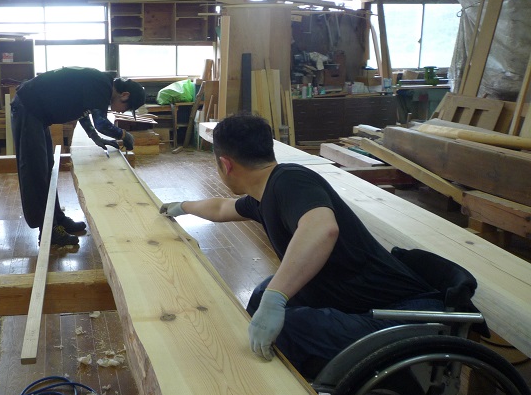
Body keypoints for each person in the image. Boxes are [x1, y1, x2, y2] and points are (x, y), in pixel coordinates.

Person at [159, 113, 444, 377]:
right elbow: (222, 208)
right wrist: (182, 206)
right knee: (261, 297)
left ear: (226, 164)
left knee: (285, 329)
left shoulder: (291, 181)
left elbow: (322, 228)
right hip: (363, 301)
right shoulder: (265, 193)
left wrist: (277, 297)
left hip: (403, 314)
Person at [11, 66, 146, 247]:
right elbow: (101, 123)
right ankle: (49, 232)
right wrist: (124, 135)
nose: (122, 112)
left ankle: (57, 218)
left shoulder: (100, 84)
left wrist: (95, 138)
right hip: (28, 109)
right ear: (124, 95)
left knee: (47, 169)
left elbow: (83, 112)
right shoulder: (102, 86)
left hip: (35, 114)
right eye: (127, 108)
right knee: (36, 172)